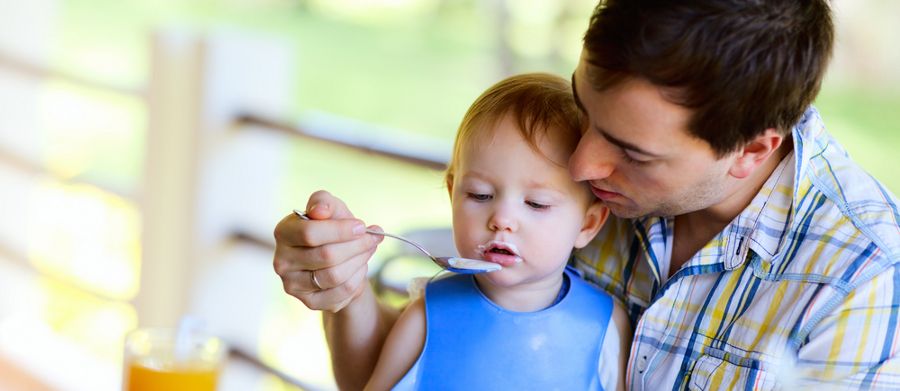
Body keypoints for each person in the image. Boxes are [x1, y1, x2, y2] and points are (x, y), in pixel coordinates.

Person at [272, 1, 900, 389]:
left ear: (753, 151)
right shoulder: (571, 178)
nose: (581, 163)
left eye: (631, 151)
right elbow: (434, 358)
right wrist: (342, 290)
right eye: (585, 108)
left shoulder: (860, 283)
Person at [364, 73, 629, 390]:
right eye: (480, 195)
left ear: (587, 225)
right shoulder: (426, 317)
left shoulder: (604, 325)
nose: (502, 219)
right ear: (452, 195)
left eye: (536, 203)